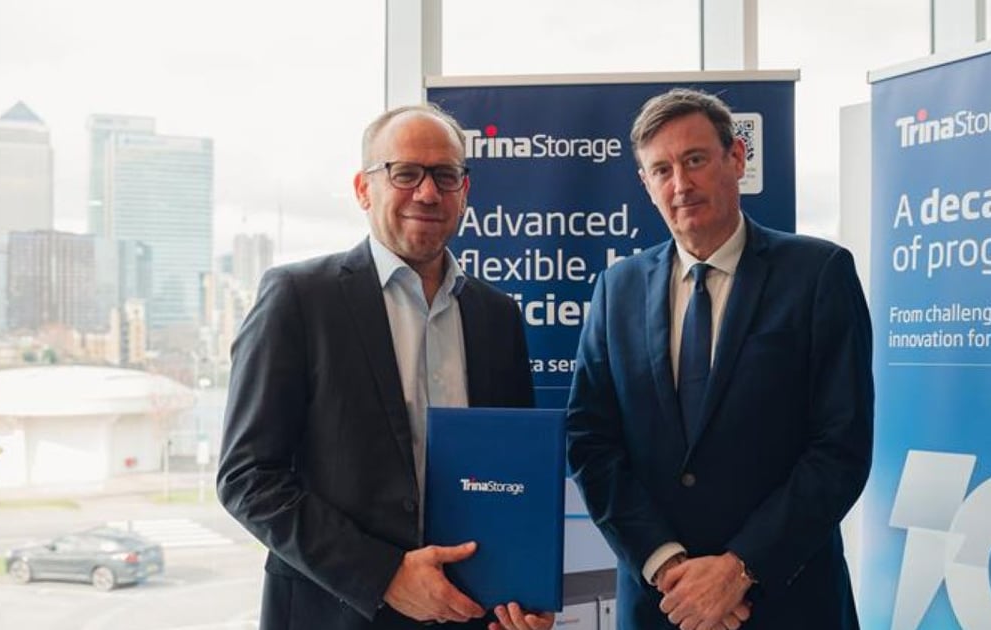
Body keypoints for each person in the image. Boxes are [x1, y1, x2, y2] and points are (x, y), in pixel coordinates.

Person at [218, 103, 555, 630]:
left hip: (471, 615)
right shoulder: (298, 299)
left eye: (445, 175)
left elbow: (513, 474)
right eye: (405, 173)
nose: (427, 192)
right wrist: (384, 576)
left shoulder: (497, 316)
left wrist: (524, 592)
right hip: (335, 613)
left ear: (464, 191)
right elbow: (247, 478)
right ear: (363, 189)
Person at [566, 88, 873, 630]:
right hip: (663, 604)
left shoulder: (818, 274)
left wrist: (739, 569)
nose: (680, 184)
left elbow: (840, 446)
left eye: (695, 160)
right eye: (661, 170)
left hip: (789, 602)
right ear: (645, 184)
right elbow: (590, 441)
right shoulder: (617, 289)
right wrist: (667, 565)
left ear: (736, 157)